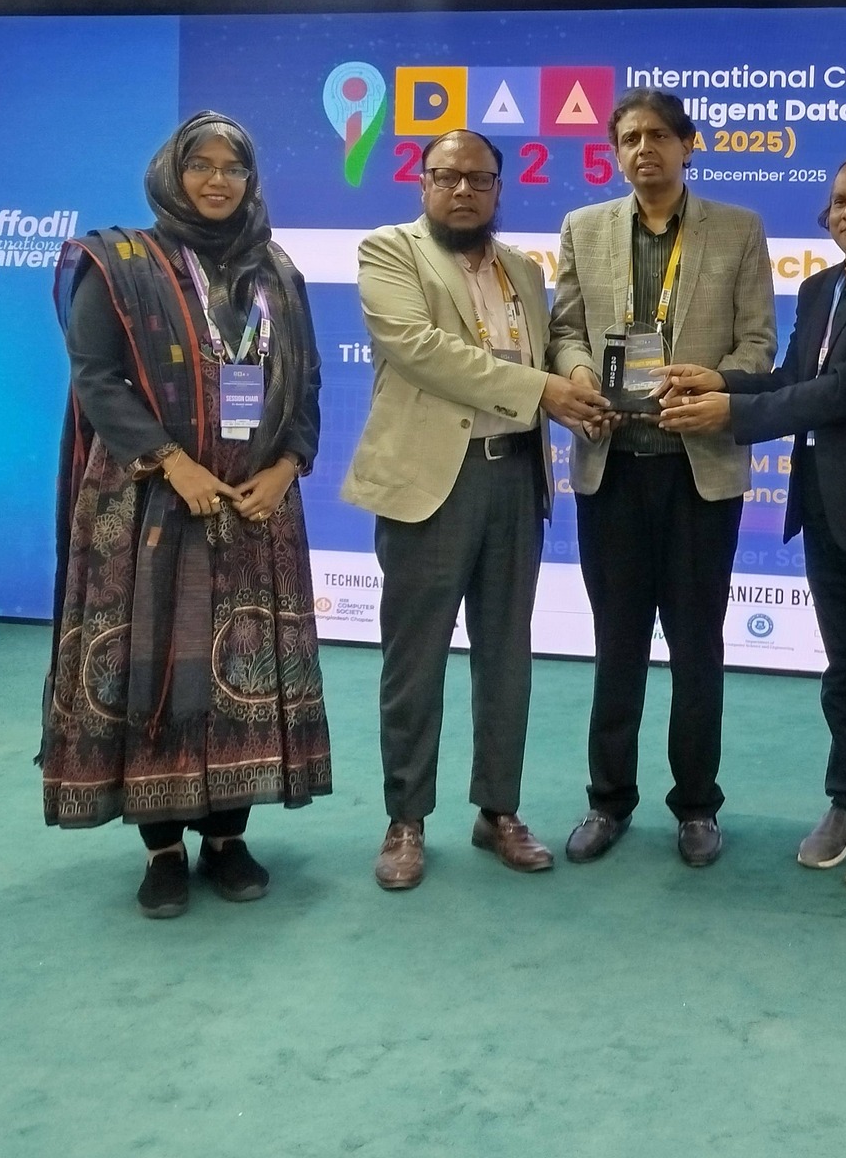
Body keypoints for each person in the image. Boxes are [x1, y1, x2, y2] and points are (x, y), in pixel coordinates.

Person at [45, 110, 332, 919]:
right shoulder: (119, 263)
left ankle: (228, 837)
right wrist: (174, 463)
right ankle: (163, 848)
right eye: (200, 165)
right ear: (171, 174)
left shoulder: (276, 270)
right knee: (161, 666)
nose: (217, 180)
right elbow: (96, 379)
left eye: (233, 168)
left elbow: (305, 380)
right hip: (152, 503)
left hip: (256, 508)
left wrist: (285, 467)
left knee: (244, 667)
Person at [659, 153, 846, 890]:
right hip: (825, 507)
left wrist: (733, 414)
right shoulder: (822, 288)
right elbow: (796, 379)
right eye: (840, 201)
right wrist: (720, 379)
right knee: (845, 671)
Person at [343, 130, 614, 890]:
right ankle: (405, 819)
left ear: (499, 188)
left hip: (514, 480)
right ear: (423, 182)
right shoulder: (389, 251)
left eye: (479, 179)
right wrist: (542, 391)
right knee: (415, 661)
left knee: (506, 657)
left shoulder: (522, 268)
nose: (463, 189)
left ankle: (499, 811)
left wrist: (577, 380)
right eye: (447, 176)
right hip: (432, 481)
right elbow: (420, 347)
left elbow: (553, 348)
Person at [548, 87, 776, 868]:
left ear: (687, 145)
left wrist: (712, 381)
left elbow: (758, 346)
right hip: (611, 468)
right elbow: (565, 330)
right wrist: (581, 377)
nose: (644, 149)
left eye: (658, 136)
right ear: (617, 152)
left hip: (697, 474)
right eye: (630, 138)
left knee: (696, 648)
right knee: (615, 645)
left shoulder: (738, 230)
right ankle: (608, 801)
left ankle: (697, 807)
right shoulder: (583, 228)